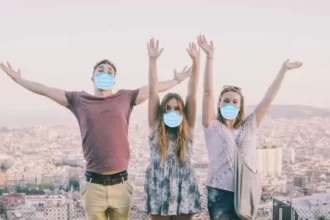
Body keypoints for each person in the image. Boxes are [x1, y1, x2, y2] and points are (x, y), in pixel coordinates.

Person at [0, 58, 191, 220]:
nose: (105, 73)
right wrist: (19, 80)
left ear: (114, 78)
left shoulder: (125, 97)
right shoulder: (78, 99)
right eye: (100, 70)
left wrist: (176, 80)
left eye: (109, 71)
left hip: (121, 184)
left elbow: (152, 89)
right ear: (92, 76)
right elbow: (46, 90)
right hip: (93, 186)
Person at [198, 35, 303, 220]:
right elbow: (207, 92)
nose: (230, 104)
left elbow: (268, 100)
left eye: (234, 101)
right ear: (219, 104)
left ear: (240, 106)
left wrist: (283, 70)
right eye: (226, 101)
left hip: (246, 190)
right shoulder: (212, 127)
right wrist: (209, 58)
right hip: (220, 192)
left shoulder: (249, 126)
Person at [141, 38, 202, 220]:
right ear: (162, 111)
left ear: (183, 112)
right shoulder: (155, 127)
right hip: (158, 184)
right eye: (168, 108)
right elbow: (153, 93)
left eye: (177, 108)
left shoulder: (188, 129)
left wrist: (196, 61)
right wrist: (153, 61)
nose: (172, 111)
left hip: (184, 185)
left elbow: (192, 92)